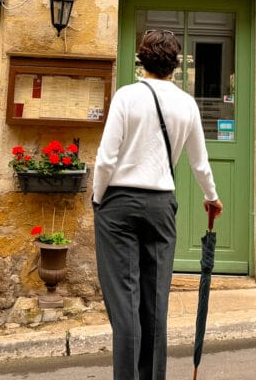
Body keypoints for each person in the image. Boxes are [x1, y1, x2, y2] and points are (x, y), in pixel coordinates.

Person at [92, 28, 223, 380]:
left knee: (125, 304)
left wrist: (98, 197)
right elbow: (200, 163)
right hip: (161, 204)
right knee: (155, 302)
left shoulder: (126, 96)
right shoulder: (187, 104)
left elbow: (106, 159)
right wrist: (211, 197)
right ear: (176, 64)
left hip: (118, 203)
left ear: (141, 60)